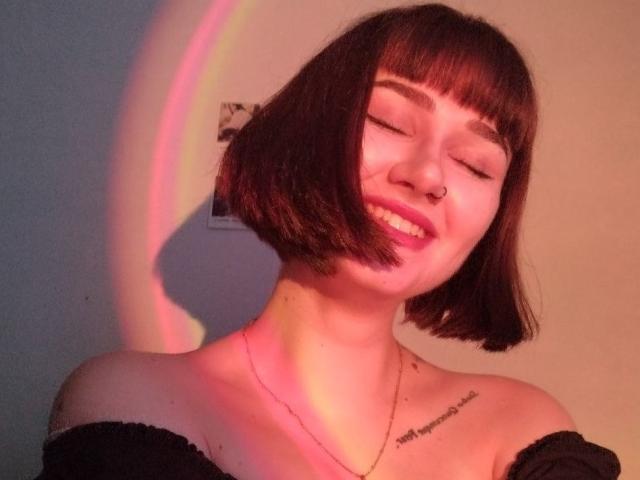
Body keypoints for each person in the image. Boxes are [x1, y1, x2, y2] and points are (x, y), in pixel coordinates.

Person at [36, 4, 620, 479]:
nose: (428, 175)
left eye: (475, 164)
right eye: (389, 121)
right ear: (304, 139)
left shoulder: (524, 430)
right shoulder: (133, 404)